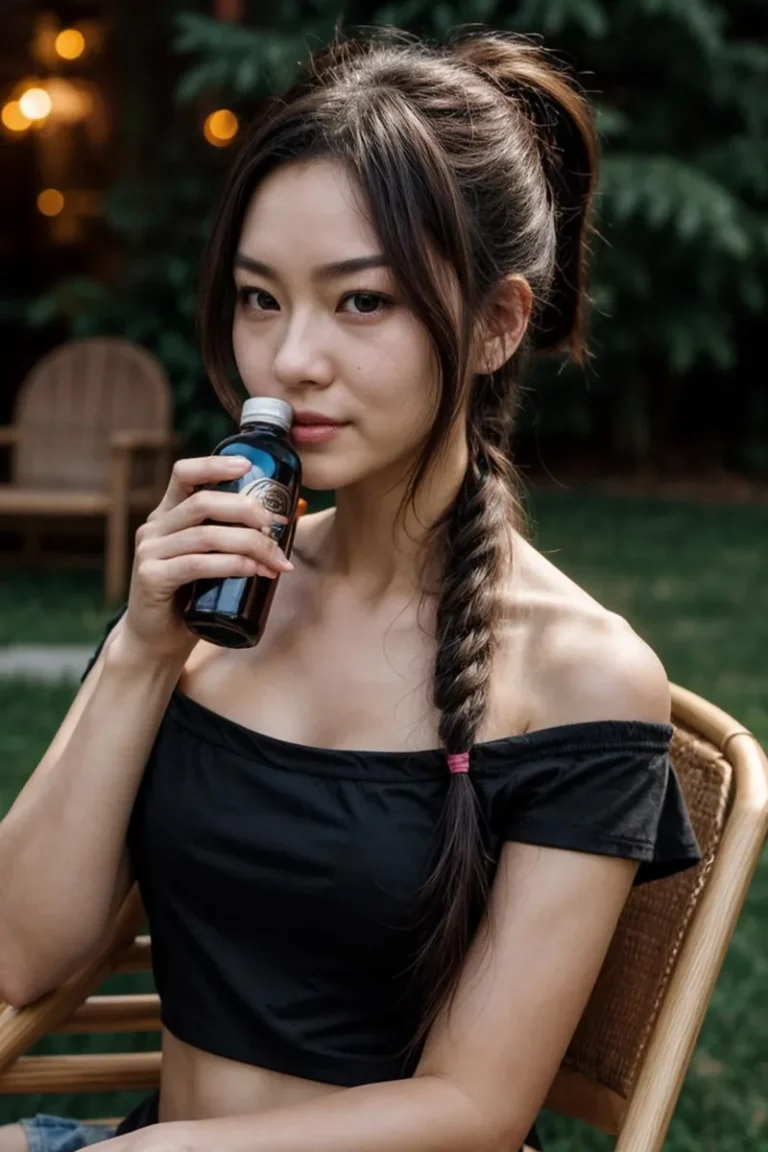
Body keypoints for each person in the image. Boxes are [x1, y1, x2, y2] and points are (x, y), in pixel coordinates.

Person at [0, 26, 701, 1152]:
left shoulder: (582, 677)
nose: (289, 361)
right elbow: (19, 952)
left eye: (360, 302)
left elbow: (474, 1110)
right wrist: (139, 648)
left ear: (497, 325)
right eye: (260, 299)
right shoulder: (216, 595)